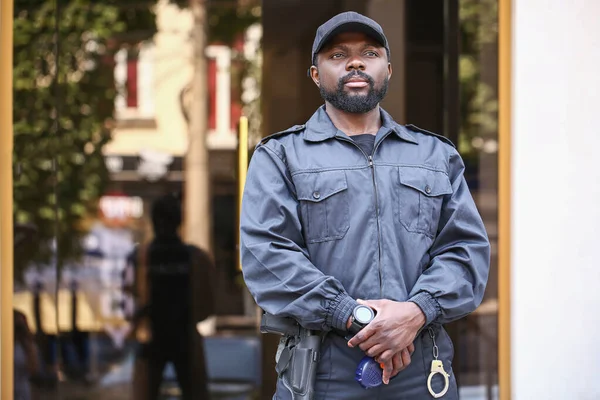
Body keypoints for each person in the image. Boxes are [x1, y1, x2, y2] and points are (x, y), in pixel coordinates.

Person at [240, 11, 490, 399]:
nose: (355, 62)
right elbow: (267, 256)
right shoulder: (280, 157)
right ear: (315, 74)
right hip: (322, 375)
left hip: (421, 371)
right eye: (338, 55)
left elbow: (466, 252)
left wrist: (416, 312)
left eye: (369, 53)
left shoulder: (435, 156)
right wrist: (354, 316)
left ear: (388, 70)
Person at [127, 193, 215, 399]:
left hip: (153, 339)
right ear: (180, 221)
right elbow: (207, 308)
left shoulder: (141, 257)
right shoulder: (195, 257)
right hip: (184, 339)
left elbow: (129, 301)